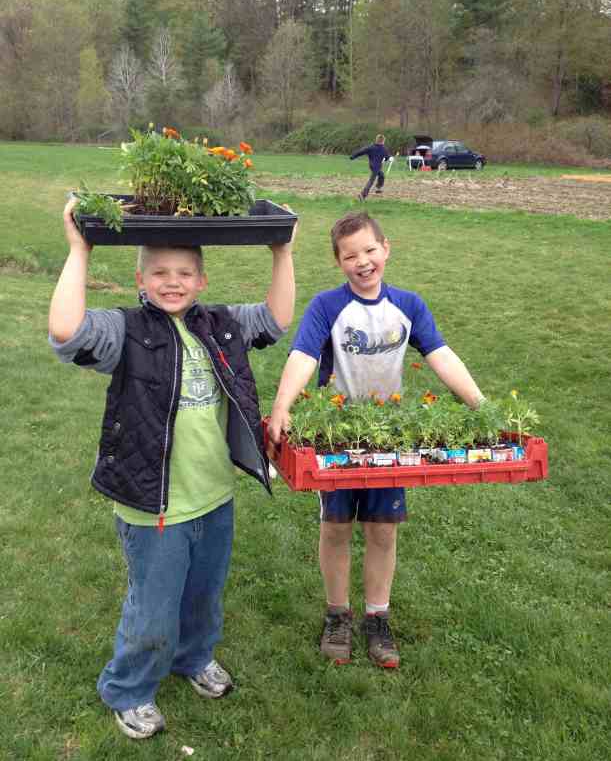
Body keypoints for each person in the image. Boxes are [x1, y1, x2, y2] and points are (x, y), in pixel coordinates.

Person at [49, 199, 296, 739]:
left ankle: (194, 657)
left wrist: (281, 251)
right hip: (153, 502)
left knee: (203, 595)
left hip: (214, 496)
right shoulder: (127, 330)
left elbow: (276, 320)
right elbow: (67, 332)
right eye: (159, 272)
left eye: (184, 273)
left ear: (202, 281)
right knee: (154, 610)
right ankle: (129, 689)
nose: (173, 282)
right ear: (140, 279)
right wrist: (79, 249)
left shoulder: (220, 325)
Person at [267, 211, 484, 669]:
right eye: (350, 256)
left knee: (383, 530)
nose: (362, 261)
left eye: (369, 250)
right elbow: (303, 356)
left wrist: (480, 405)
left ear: (386, 249)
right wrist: (283, 405)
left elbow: (441, 355)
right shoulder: (327, 306)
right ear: (338, 262)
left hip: (388, 440)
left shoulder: (409, 305)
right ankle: (337, 615)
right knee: (336, 528)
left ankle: (377, 618)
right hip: (336, 438)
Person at [350, 133, 393, 201]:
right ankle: (362, 195)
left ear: (376, 140)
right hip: (376, 167)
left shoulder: (371, 147)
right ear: (383, 141)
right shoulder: (384, 149)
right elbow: (387, 157)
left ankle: (378, 187)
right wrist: (389, 158)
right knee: (371, 181)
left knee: (381, 175)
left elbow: (361, 151)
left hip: (372, 165)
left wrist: (353, 156)